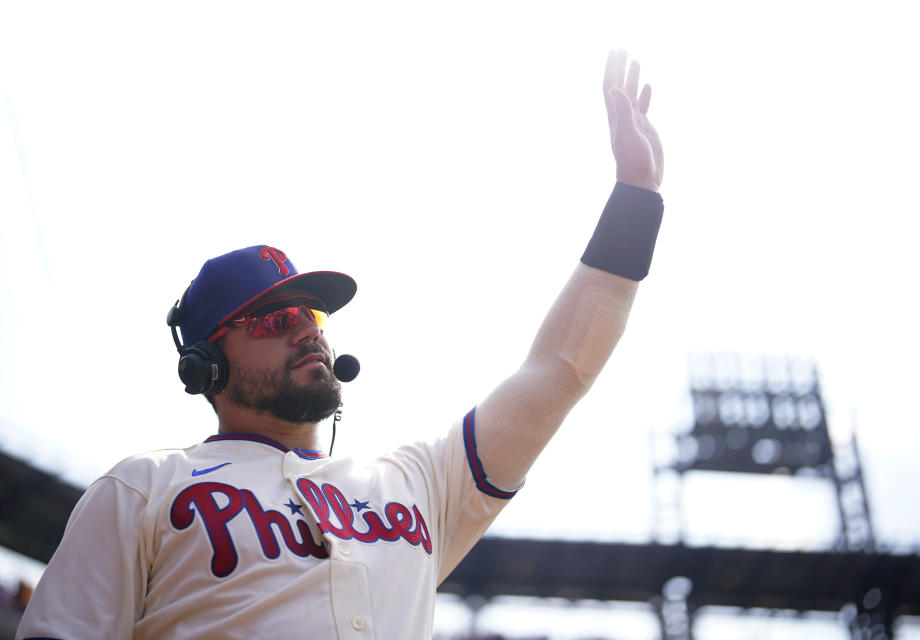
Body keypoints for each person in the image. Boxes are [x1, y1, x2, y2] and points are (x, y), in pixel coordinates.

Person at [16, 49, 665, 640]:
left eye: (310, 316)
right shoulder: (142, 487)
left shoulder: (416, 481)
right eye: (271, 320)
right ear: (204, 364)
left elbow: (560, 368)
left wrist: (636, 199)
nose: (304, 329)